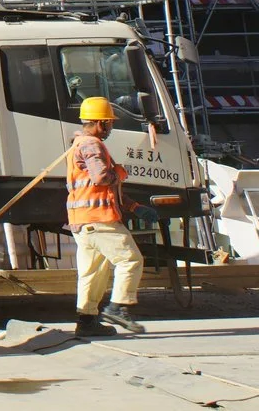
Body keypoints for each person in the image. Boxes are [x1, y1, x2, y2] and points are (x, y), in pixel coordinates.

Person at [68, 94, 146, 337]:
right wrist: (120, 173)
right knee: (130, 260)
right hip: (99, 219)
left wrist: (133, 207)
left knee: (93, 272)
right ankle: (118, 307)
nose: (111, 127)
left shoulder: (77, 145)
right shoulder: (92, 144)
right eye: (109, 123)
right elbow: (101, 178)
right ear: (100, 123)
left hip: (82, 221)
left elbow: (98, 187)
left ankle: (87, 320)